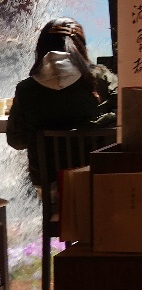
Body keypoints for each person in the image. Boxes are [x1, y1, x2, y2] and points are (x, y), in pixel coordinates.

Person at [7, 17, 117, 188]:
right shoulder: (101, 78)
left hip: (51, 186)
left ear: (41, 47)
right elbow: (125, 120)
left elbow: (16, 141)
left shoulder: (26, 89)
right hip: (100, 180)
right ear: (80, 45)